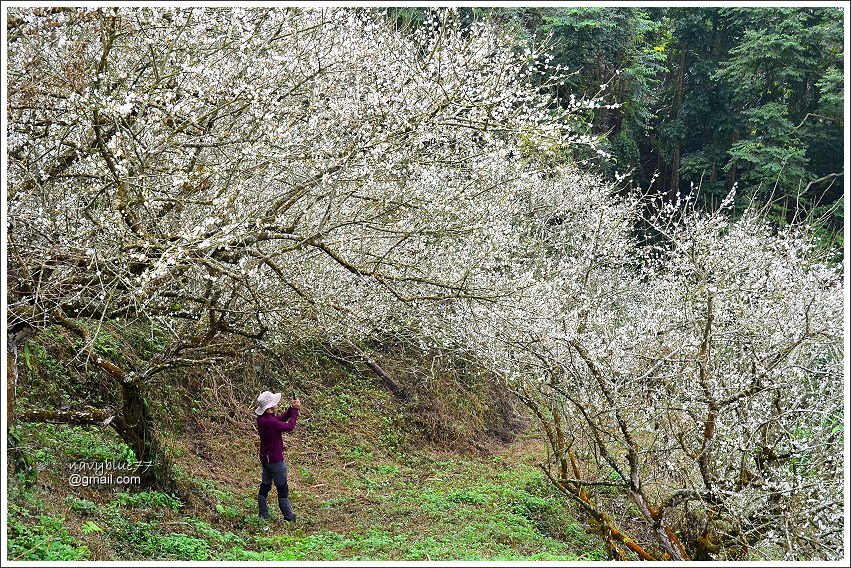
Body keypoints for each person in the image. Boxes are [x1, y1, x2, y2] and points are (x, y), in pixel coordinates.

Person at [254, 390, 301, 522]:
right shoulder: (269, 422)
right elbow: (289, 426)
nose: (277, 404)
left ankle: (263, 514)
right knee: (282, 488)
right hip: (275, 460)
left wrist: (291, 409)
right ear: (270, 408)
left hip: (266, 459)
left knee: (265, 485)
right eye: (275, 403)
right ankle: (288, 516)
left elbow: (279, 419)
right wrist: (295, 411)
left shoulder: (263, 419)